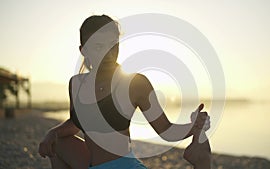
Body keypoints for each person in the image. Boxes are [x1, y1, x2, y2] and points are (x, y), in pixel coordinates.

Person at [38, 15, 211, 169]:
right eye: (99, 47)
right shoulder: (76, 84)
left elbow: (166, 130)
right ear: (84, 50)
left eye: (113, 46)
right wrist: (52, 132)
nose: (109, 54)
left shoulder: (134, 84)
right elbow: (77, 123)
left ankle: (202, 158)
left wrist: (193, 126)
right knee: (57, 144)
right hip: (91, 164)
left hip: (123, 165)